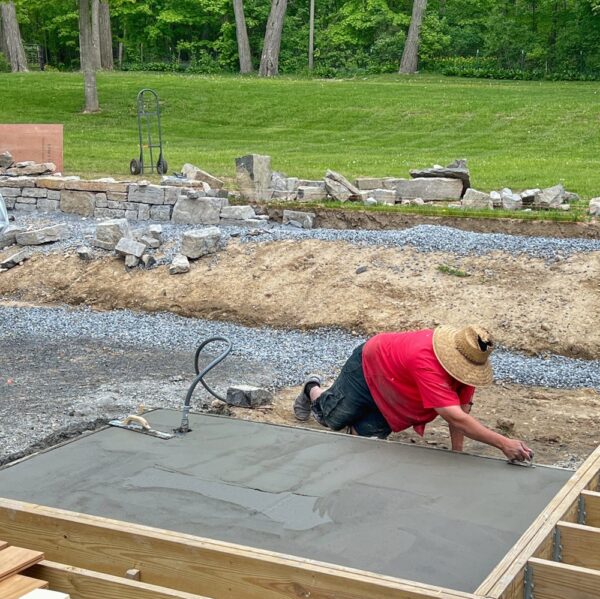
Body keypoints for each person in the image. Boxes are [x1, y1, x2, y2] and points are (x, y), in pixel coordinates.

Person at [294, 324, 533, 462]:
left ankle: (356, 424)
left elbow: (461, 412)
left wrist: (456, 455)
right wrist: (503, 443)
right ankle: (311, 388)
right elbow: (455, 417)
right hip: (371, 368)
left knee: (363, 442)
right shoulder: (426, 360)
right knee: (330, 417)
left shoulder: (465, 367)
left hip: (400, 392)